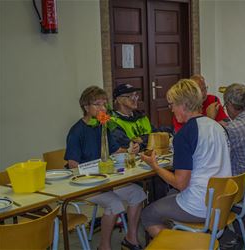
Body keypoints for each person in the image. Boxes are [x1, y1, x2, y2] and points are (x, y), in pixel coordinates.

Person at [140, 79, 232, 238]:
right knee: (169, 198)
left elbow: (180, 183)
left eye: (172, 105)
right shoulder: (217, 126)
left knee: (148, 214)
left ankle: (178, 243)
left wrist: (155, 166)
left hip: (199, 205)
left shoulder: (185, 134)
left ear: (183, 105)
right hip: (221, 201)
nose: (171, 110)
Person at [64, 86, 146, 250]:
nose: (102, 108)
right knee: (114, 204)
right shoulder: (76, 131)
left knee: (138, 194)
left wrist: (131, 149)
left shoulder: (104, 126)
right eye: (97, 104)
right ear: (86, 107)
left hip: (107, 180)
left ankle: (131, 239)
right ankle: (104, 246)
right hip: (87, 184)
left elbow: (115, 150)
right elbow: (73, 165)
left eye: (104, 104)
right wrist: (94, 175)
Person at [111, 83, 172, 151]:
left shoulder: (141, 117)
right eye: (130, 96)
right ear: (119, 100)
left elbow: (156, 137)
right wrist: (148, 139)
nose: (135, 99)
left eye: (136, 95)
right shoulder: (113, 122)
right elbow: (128, 146)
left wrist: (142, 140)